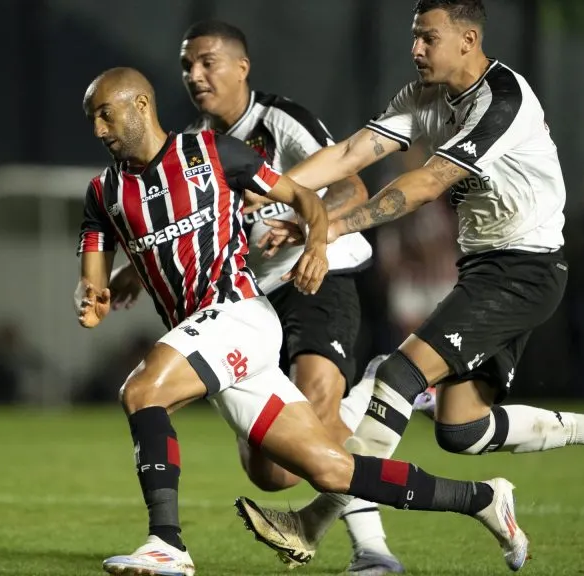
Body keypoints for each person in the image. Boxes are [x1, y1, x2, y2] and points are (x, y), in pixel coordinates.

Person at [232, 0, 584, 570]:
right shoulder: (423, 99)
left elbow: (426, 184)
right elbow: (352, 152)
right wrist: (275, 188)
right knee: (462, 429)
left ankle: (312, 521)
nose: (415, 50)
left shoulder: (504, 101)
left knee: (398, 375)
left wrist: (324, 227)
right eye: (414, 38)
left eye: (428, 38)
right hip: (487, 268)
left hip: (525, 269)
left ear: (468, 39)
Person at [78, 66, 529, 576]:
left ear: (140, 105)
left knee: (141, 392)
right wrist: (90, 300)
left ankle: (167, 544)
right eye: (92, 118)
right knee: (327, 470)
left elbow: (305, 197)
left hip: (239, 314)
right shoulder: (102, 195)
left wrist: (316, 244)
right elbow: (91, 279)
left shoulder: (212, 153)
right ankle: (482, 499)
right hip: (213, 340)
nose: (98, 129)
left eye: (105, 114)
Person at [102, 20, 425, 574]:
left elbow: (351, 186)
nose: (195, 75)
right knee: (273, 473)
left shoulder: (280, 120)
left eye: (207, 62)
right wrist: (134, 269)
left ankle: (373, 553)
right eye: (186, 66)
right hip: (249, 300)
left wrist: (308, 233)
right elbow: (181, 220)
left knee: (319, 411)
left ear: (241, 67)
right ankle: (382, 390)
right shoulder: (194, 143)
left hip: (318, 276)